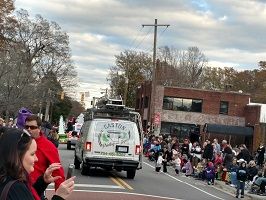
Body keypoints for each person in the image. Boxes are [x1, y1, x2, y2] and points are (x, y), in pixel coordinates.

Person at [0, 127, 75, 200]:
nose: (36, 159)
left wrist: (43, 182)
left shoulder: (8, 178)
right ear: (17, 155)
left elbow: (28, 195)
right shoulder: (15, 187)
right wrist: (59, 197)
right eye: (32, 154)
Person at [25, 115, 65, 195]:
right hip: (20, 187)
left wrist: (59, 195)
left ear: (39, 128)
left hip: (37, 188)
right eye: (27, 127)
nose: (29, 129)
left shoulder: (48, 146)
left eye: (32, 127)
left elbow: (57, 172)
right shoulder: (20, 142)